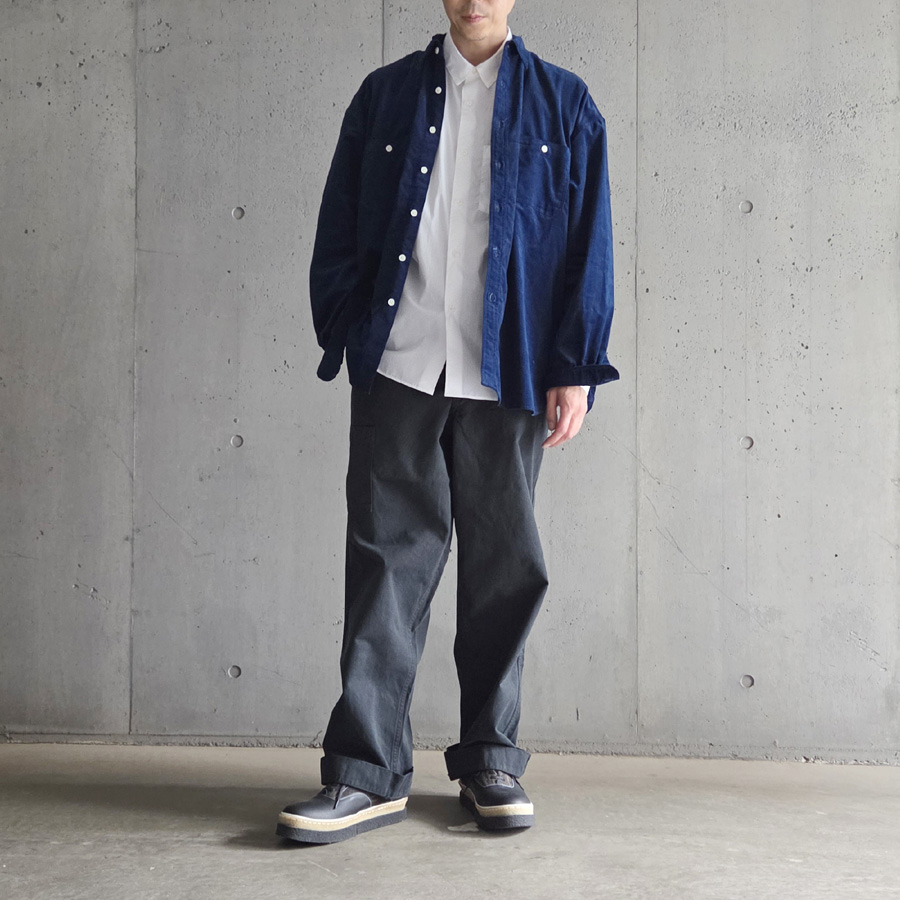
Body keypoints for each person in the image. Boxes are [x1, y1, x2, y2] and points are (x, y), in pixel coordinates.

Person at [277, 0, 618, 844]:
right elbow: (339, 222)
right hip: (401, 362)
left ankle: (491, 760)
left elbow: (589, 242)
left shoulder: (565, 103)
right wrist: (348, 326)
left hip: (510, 371)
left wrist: (575, 366)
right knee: (384, 566)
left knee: (506, 569)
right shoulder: (385, 96)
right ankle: (366, 772)